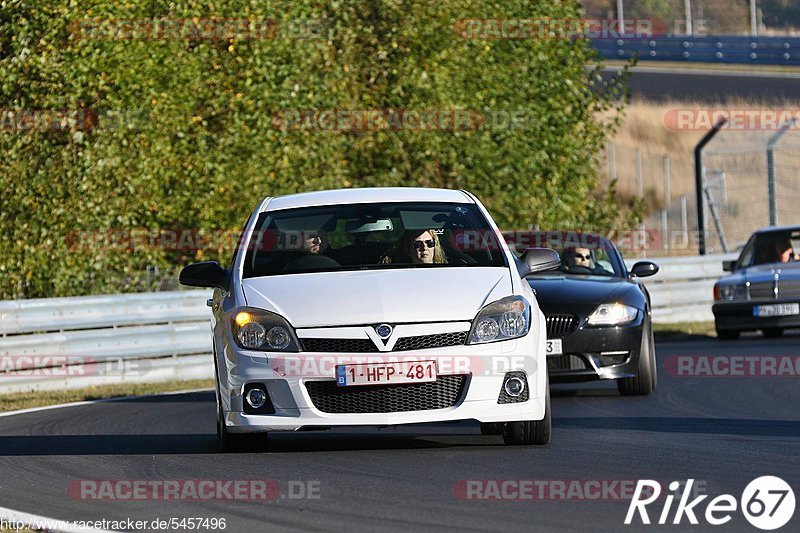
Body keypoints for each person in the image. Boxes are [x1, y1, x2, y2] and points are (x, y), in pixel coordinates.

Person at [381, 229, 447, 264]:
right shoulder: (398, 276)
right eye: (418, 244)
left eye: (430, 243)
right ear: (407, 250)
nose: (424, 248)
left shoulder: (448, 272)